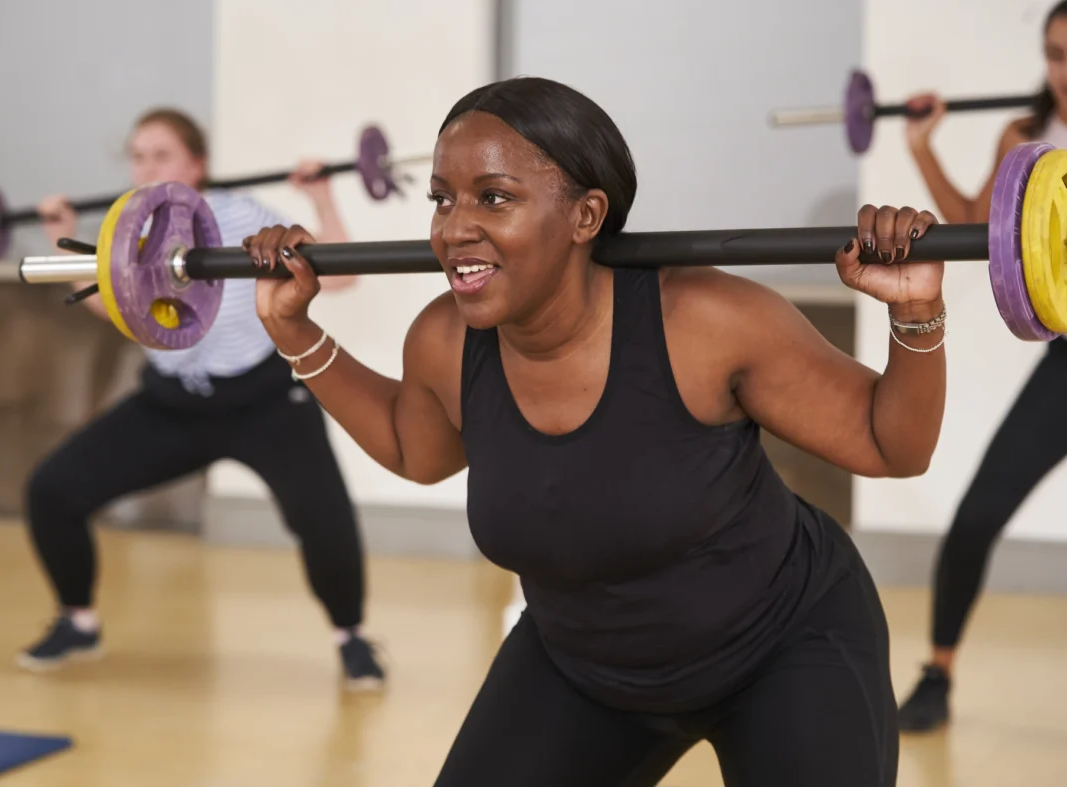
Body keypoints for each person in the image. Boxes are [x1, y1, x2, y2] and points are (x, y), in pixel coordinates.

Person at [244, 76, 947, 786]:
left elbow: (890, 444)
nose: (453, 228)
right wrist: (292, 328)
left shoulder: (704, 321)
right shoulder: (445, 341)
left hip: (784, 646)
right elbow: (414, 450)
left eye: (494, 197)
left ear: (586, 215)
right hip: (581, 667)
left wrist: (915, 312)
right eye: (442, 199)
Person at [17, 107, 386, 692]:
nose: (146, 168)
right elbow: (111, 307)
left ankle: (352, 637)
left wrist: (321, 198)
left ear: (197, 164)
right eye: (138, 157)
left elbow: (339, 277)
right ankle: (78, 622)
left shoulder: (243, 217)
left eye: (161, 155)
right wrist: (60, 239)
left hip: (263, 401)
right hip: (173, 405)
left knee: (325, 519)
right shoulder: (131, 232)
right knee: (52, 490)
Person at [893, 0, 1067, 732]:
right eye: (1055, 54)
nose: (1064, 71)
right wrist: (921, 146)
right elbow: (976, 227)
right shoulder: (1027, 139)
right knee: (978, 515)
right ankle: (937, 673)